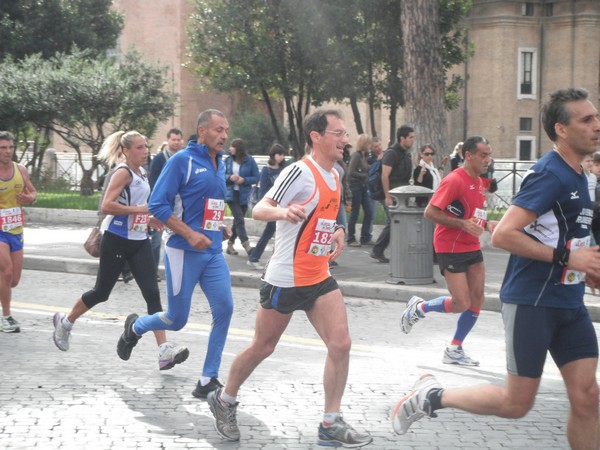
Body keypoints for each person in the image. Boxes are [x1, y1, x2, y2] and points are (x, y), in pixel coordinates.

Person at [392, 87, 600, 450]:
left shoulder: (581, 174)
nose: (597, 125)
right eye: (587, 119)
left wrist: (587, 266)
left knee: (587, 397)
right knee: (516, 404)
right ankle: (432, 396)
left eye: (596, 116)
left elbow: (569, 236)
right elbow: (504, 234)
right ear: (562, 129)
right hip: (533, 302)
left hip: (569, 301)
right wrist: (568, 259)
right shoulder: (550, 174)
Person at [206, 109, 373, 448]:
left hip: (319, 276)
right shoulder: (300, 171)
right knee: (263, 347)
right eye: (338, 133)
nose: (345, 140)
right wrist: (283, 211)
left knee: (341, 344)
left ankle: (331, 422)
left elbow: (329, 214)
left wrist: (339, 230)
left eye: (345, 133)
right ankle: (224, 399)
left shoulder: (337, 174)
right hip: (285, 278)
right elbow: (260, 209)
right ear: (316, 136)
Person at [116, 110, 234, 400]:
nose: (224, 135)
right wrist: (189, 233)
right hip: (183, 251)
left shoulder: (220, 163)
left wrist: (218, 224)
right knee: (176, 319)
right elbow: (157, 205)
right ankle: (136, 326)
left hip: (212, 251)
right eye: (218, 130)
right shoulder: (183, 160)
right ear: (202, 131)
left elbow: (205, 203)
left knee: (225, 309)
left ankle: (208, 378)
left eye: (226, 130)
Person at [52, 130, 189, 371]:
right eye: (139, 147)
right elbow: (107, 205)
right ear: (126, 151)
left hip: (139, 240)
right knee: (101, 292)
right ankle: (66, 322)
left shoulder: (142, 173)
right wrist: (140, 210)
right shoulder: (122, 172)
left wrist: (149, 219)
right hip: (116, 238)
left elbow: (136, 208)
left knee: (152, 293)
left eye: (146, 146)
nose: (145, 151)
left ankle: (163, 351)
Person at [399, 136, 495, 366]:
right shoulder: (454, 180)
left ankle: (455, 348)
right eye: (483, 155)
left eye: (489, 155)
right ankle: (419, 308)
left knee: (477, 299)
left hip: (471, 246)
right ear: (468, 156)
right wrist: (462, 224)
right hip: (449, 247)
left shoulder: (480, 182)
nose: (488, 160)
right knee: (461, 302)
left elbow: (475, 212)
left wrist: (489, 224)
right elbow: (430, 213)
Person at [0, 131, 37, 333]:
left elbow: (33, 192)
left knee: (13, 280)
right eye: (3, 148)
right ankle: (6, 318)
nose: (8, 152)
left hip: (15, 230)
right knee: (5, 273)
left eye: (10, 147)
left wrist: (30, 198)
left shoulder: (20, 170)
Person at [370, 125, 414, 263]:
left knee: (398, 222)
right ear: (402, 138)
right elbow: (385, 176)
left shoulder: (406, 153)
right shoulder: (392, 153)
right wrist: (387, 196)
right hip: (393, 194)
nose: (413, 140)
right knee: (394, 222)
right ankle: (378, 250)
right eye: (410, 137)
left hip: (402, 194)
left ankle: (385, 250)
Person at [148, 128, 184, 280]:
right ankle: (151, 272)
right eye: (173, 139)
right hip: (162, 207)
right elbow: (154, 184)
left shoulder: (184, 158)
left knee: (180, 239)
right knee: (156, 241)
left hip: (179, 207)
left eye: (178, 139)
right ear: (168, 141)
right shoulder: (159, 159)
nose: (176, 142)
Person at [247, 143, 287, 270]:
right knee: (278, 233)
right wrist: (265, 206)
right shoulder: (266, 170)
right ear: (273, 155)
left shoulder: (283, 169)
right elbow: (263, 190)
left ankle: (254, 257)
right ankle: (259, 258)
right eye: (279, 154)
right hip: (271, 206)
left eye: (282, 155)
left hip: (280, 205)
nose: (281, 157)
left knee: (269, 233)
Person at [224, 138, 259, 256]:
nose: (230, 148)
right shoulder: (228, 160)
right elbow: (221, 175)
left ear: (238, 149)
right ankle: (247, 245)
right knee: (239, 219)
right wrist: (230, 178)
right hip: (231, 194)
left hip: (244, 194)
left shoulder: (249, 161)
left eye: (232, 147)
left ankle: (230, 244)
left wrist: (244, 180)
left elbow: (256, 176)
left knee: (237, 221)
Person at [347, 134, 374, 246]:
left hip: (363, 187)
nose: (370, 145)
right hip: (356, 187)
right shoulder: (356, 156)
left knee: (369, 212)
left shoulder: (364, 156)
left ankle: (365, 237)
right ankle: (351, 238)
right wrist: (363, 176)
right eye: (368, 143)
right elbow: (350, 172)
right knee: (355, 212)